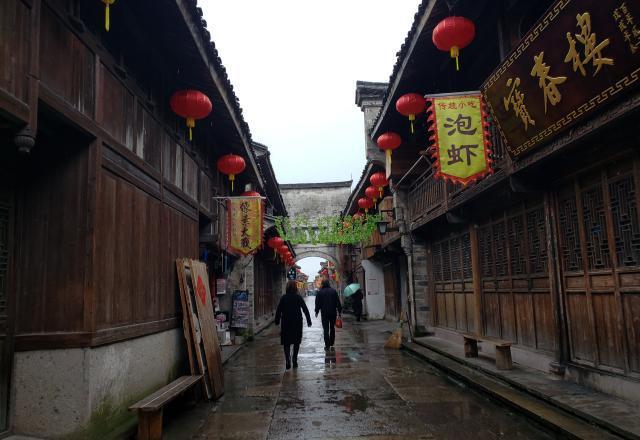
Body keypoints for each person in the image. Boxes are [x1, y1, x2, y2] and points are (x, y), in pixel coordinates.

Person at [275, 280, 312, 370]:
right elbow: (305, 309)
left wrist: (277, 320)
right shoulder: (298, 297)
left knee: (286, 342)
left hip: (286, 322)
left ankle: (288, 359)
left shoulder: (283, 298)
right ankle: (294, 358)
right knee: (296, 341)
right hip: (297, 322)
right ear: (295, 288)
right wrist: (308, 320)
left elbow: (279, 310)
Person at [315, 279, 342, 351]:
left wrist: (316, 311)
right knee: (332, 328)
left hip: (324, 313)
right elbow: (338, 302)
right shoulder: (333, 291)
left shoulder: (320, 292)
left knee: (326, 329)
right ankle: (332, 342)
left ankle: (327, 345)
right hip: (333, 313)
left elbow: (317, 303)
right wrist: (339, 311)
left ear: (323, 284)